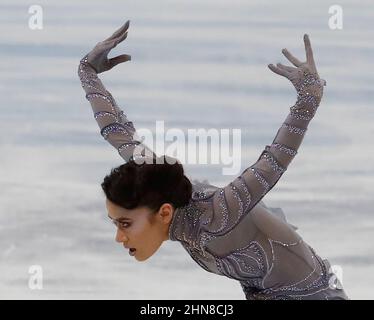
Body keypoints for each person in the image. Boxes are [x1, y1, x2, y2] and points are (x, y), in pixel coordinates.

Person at [78, 20, 348, 300]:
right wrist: (87, 71)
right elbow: (116, 131)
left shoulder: (216, 216)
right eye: (116, 224)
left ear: (165, 213)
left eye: (125, 224)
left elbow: (272, 162)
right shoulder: (158, 181)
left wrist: (309, 98)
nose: (119, 238)